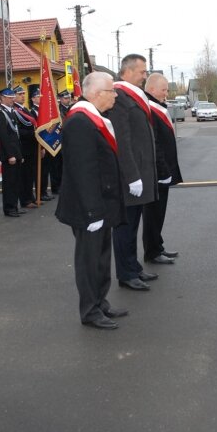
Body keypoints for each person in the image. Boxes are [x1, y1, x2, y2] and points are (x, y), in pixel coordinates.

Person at [56, 72, 128, 329]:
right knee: (88, 260)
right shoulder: (79, 122)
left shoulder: (96, 118)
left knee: (101, 257)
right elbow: (82, 171)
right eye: (112, 91)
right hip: (89, 207)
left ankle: (100, 302)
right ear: (97, 94)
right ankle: (89, 310)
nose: (116, 95)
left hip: (102, 202)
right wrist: (93, 212)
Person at [107, 53, 159, 291]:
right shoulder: (119, 97)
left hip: (141, 170)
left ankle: (133, 267)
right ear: (127, 72)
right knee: (125, 228)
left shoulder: (133, 95)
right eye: (141, 71)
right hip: (131, 175)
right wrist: (132, 175)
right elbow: (123, 140)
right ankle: (126, 273)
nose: (145, 75)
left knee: (133, 225)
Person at [142, 72, 183, 264]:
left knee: (159, 212)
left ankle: (157, 246)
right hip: (157, 172)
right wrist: (164, 171)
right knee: (153, 213)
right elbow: (154, 143)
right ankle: (152, 251)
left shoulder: (157, 106)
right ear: (151, 89)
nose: (166, 93)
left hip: (163, 169)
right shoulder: (149, 109)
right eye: (164, 89)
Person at [0, 87, 25, 217]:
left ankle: (15, 206)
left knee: (16, 181)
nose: (12, 99)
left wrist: (20, 154)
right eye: (9, 97)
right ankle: (9, 208)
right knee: (9, 183)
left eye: (13, 97)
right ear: (2, 98)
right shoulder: (1, 114)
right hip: (9, 155)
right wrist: (10, 155)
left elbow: (16, 136)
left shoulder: (12, 112)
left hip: (16, 153)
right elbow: (4, 137)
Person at [12, 85, 40, 208]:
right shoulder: (14, 111)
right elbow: (18, 130)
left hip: (31, 147)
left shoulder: (25, 110)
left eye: (23, 94)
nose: (22, 96)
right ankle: (25, 200)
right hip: (24, 147)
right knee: (24, 176)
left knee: (30, 174)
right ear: (13, 97)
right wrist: (33, 133)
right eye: (19, 94)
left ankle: (31, 197)